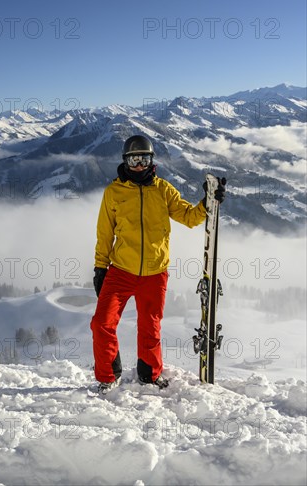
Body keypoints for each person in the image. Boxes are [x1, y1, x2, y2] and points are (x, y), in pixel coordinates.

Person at [90, 135, 226, 394]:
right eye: (134, 159)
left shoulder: (163, 190)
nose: (139, 165)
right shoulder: (114, 192)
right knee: (101, 323)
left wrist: (209, 203)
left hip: (155, 273)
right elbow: (104, 233)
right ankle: (108, 375)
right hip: (120, 270)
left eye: (144, 158)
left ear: (152, 160)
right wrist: (100, 267)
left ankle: (149, 374)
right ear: (125, 161)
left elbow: (188, 217)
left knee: (150, 327)